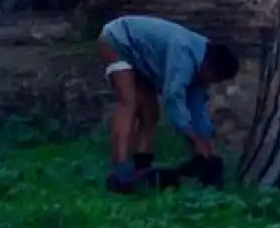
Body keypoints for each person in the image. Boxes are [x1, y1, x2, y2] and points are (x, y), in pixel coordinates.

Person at [98, 15, 240, 192]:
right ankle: (120, 169)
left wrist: (205, 140)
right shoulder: (184, 53)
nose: (210, 83)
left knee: (150, 114)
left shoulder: (203, 63)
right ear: (208, 67)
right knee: (129, 103)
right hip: (118, 39)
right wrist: (192, 137)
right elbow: (173, 97)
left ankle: (141, 169)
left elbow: (196, 107)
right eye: (212, 79)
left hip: (141, 58)